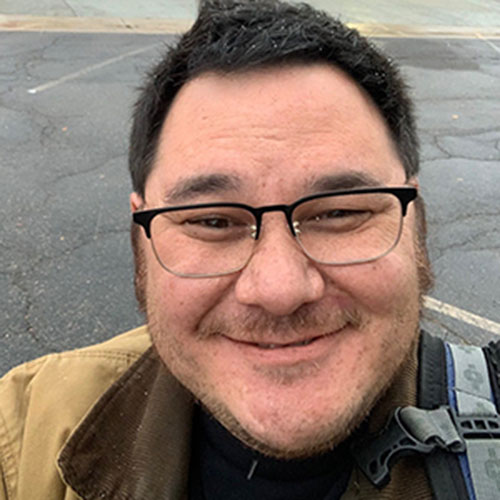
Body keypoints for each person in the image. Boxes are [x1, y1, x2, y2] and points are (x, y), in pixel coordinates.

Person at [2, 1, 497, 499]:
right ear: (140, 241)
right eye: (213, 221)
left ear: (416, 224)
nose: (279, 290)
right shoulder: (26, 434)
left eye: (338, 213)